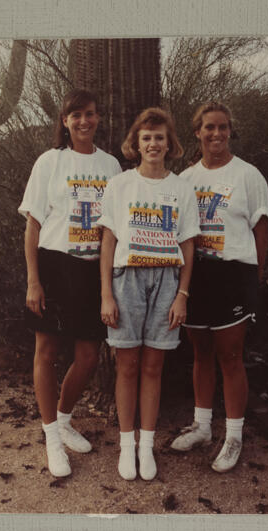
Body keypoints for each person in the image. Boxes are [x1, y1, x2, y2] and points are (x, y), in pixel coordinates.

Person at [18, 89, 121, 477]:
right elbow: (33, 225)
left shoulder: (111, 166)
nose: (84, 121)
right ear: (64, 120)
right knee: (46, 351)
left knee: (89, 356)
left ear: (98, 118)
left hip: (94, 269)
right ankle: (51, 438)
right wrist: (33, 281)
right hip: (54, 264)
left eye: (90, 114)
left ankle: (63, 419)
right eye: (76, 115)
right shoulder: (49, 162)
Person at [98, 107, 200, 481]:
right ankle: (127, 446)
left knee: (154, 366)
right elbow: (108, 241)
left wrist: (182, 295)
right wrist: (106, 294)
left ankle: (147, 446)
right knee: (127, 365)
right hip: (127, 279)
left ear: (169, 143)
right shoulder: (120, 185)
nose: (153, 143)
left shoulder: (181, 187)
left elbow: (188, 246)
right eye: (146, 138)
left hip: (167, 282)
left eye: (159, 137)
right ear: (136, 144)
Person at [170, 102, 268, 473]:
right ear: (197, 132)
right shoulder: (185, 179)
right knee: (201, 353)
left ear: (231, 131)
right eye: (209, 128)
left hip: (234, 273)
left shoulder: (248, 175)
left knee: (230, 356)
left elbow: (261, 229)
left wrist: (255, 277)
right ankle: (202, 426)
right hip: (197, 275)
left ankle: (233, 436)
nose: (217, 134)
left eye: (223, 127)